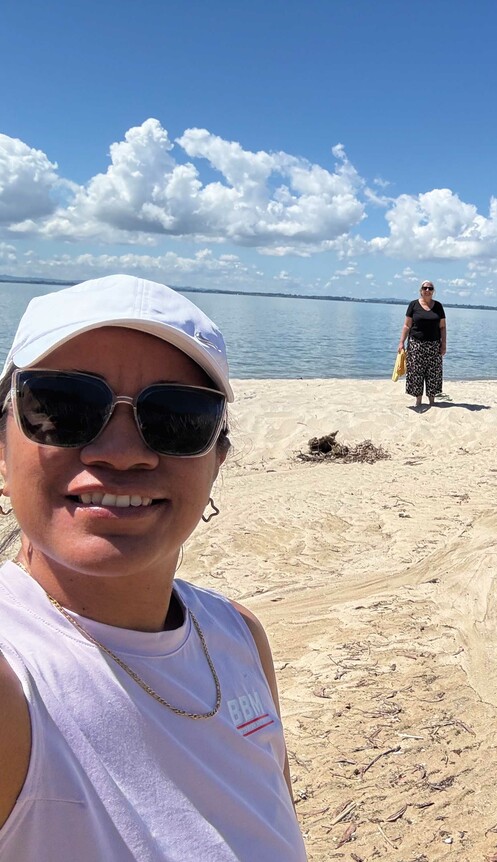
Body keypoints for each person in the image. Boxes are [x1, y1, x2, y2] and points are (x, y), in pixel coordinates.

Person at [0, 275, 306, 860]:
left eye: (177, 416)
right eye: (60, 407)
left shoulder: (238, 636)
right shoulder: (14, 680)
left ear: (216, 461)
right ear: (1, 449)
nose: (122, 451)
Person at [398, 280, 447, 409]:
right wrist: (401, 342)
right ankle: (418, 401)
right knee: (416, 372)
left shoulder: (438, 306)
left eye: (430, 288)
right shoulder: (413, 305)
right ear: (421, 290)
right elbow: (406, 325)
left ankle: (432, 401)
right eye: (425, 288)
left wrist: (444, 344)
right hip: (416, 344)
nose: (427, 290)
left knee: (433, 373)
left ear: (433, 291)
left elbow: (442, 327)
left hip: (434, 345)